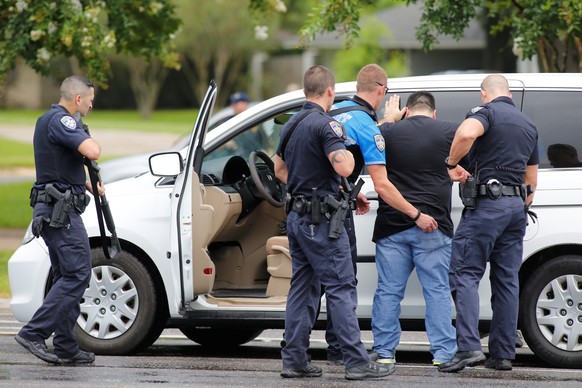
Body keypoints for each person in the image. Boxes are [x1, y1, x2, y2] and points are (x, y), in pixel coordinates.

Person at [273, 65, 394, 381]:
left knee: (301, 287)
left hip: (298, 218)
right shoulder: (328, 126)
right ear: (330, 91)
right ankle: (355, 361)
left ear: (305, 91)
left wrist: (316, 185)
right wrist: (349, 158)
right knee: (340, 286)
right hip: (323, 222)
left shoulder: (292, 124)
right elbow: (342, 165)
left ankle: (294, 359)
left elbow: (279, 170)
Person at [324, 64, 438, 365]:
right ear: (381, 90)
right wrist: (417, 215)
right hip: (338, 214)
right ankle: (341, 352)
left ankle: (299, 354)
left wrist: (387, 121)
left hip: (316, 206)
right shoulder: (367, 124)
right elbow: (382, 183)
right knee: (343, 284)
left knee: (310, 286)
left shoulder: (331, 112)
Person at [438, 74, 539, 372]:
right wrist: (515, 205)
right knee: (507, 280)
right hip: (516, 207)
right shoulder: (528, 124)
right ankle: (503, 354)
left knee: (464, 273)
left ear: (485, 93)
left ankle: (468, 347)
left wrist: (451, 163)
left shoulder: (486, 112)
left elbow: (467, 134)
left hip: (488, 205)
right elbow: (531, 182)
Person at [15, 75, 103, 365]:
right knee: (78, 274)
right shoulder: (62, 121)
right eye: (89, 99)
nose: (91, 104)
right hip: (60, 214)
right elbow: (92, 151)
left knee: (68, 275)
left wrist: (86, 184)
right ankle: (33, 333)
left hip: (56, 210)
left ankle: (66, 345)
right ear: (77, 99)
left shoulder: (49, 121)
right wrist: (86, 134)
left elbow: (57, 166)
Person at [371, 91, 458, 366]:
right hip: (433, 226)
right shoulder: (449, 131)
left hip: (392, 225)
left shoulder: (389, 132)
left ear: (407, 111)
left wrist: (390, 118)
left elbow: (366, 139)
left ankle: (384, 352)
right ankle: (443, 354)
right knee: (437, 290)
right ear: (434, 112)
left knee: (388, 290)